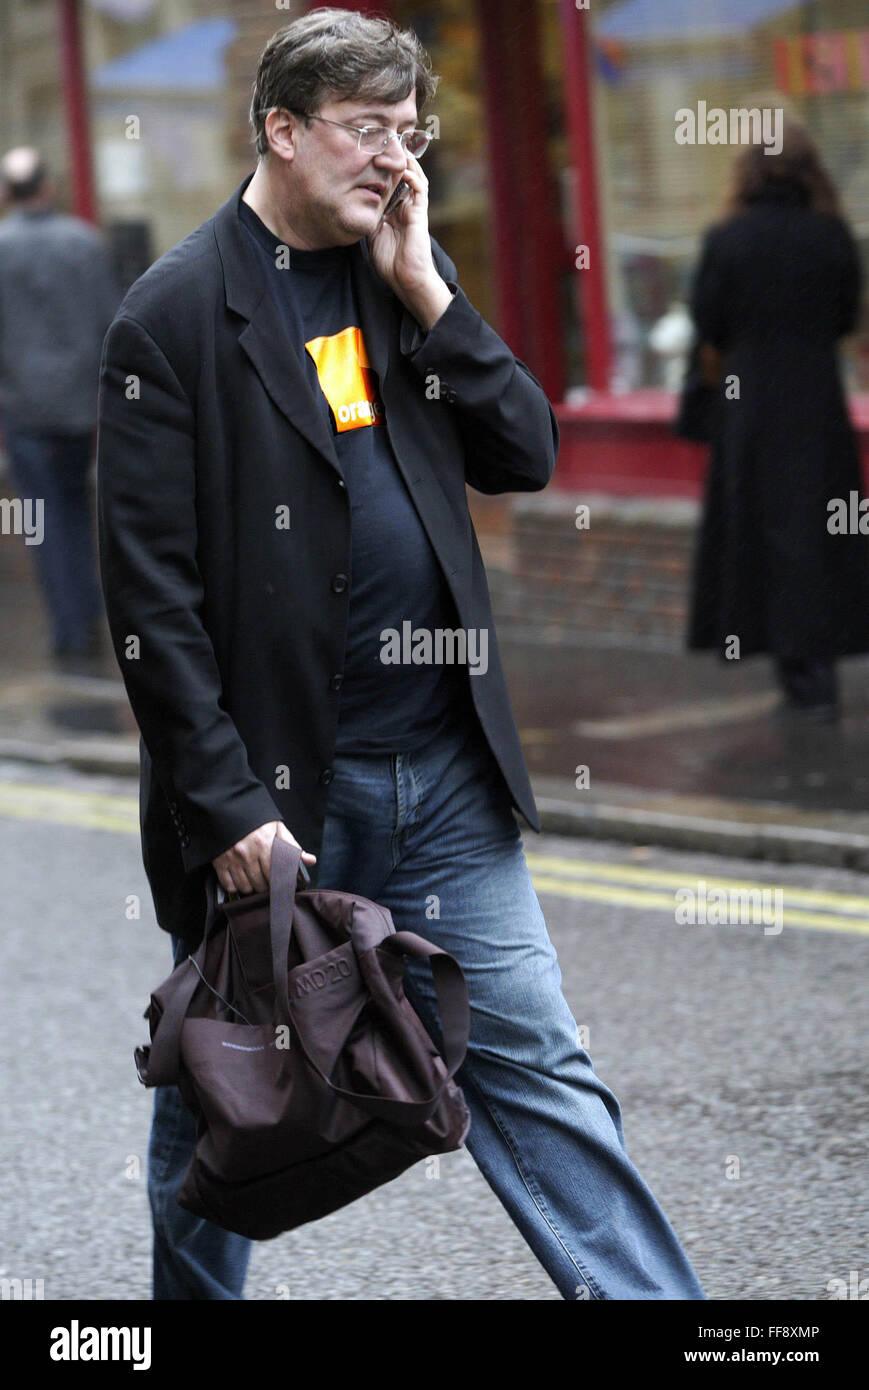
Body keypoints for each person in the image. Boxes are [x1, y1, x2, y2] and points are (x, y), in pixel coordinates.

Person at [97, 9, 705, 1302]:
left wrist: (431, 285)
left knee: (540, 1074)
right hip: (283, 803)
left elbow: (527, 449)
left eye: (408, 133)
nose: (394, 158)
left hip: (445, 776)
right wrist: (226, 807)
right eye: (366, 131)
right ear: (283, 127)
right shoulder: (176, 312)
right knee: (229, 1093)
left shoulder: (395, 274)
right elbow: (148, 596)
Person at [686, 113, 869, 720]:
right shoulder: (832, 233)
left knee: (760, 536)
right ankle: (816, 671)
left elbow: (708, 320)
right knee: (819, 535)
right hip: (816, 404)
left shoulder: (729, 239)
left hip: (751, 407)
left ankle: (797, 675)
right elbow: (846, 317)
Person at [0, 147, 120, 673]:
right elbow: (110, 320)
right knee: (76, 508)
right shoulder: (83, 242)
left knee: (43, 519)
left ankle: (71, 627)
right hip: (78, 406)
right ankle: (91, 614)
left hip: (25, 408)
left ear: (8, 194)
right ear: (46, 187)